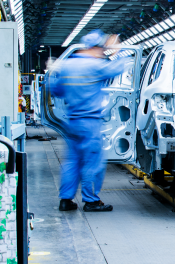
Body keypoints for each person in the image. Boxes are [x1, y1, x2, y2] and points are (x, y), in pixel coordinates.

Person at [50, 30, 126, 212]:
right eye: (101, 49)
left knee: (72, 162)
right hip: (90, 123)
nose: (102, 53)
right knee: (92, 162)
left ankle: (65, 200)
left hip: (72, 122)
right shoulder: (95, 65)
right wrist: (116, 51)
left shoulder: (67, 65)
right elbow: (118, 69)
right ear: (95, 48)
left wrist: (53, 72)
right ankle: (91, 201)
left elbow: (56, 91)